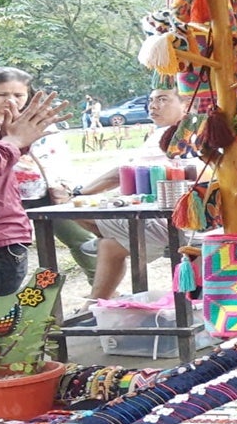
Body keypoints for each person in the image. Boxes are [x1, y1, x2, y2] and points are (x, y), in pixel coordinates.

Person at [63, 83, 200, 300]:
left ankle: (112, 238)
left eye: (163, 99)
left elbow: (120, 174)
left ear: (187, 105)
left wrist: (79, 194)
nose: (154, 106)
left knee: (73, 210)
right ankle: (94, 304)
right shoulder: (180, 131)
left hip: (176, 221)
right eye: (151, 100)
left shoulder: (173, 135)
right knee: (110, 245)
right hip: (173, 214)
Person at [0, 68, 98, 287]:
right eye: (2, 94)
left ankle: (99, 291)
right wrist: (12, 142)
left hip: (40, 195)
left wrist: (63, 184)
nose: (10, 101)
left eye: (18, 95)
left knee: (79, 239)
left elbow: (55, 156)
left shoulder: (34, 121)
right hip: (1, 221)